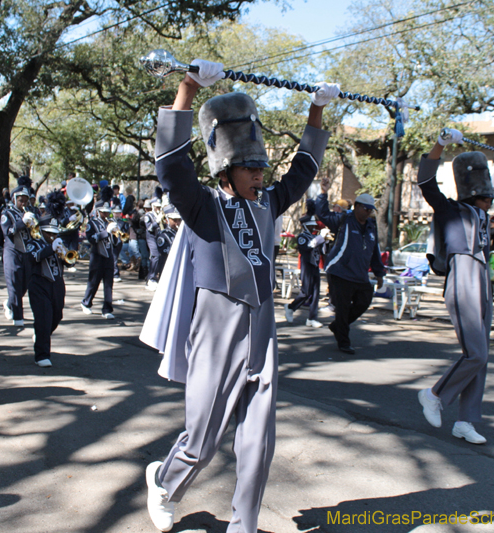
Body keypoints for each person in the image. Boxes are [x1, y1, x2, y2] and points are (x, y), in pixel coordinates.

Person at [140, 57, 337, 533]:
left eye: (261, 166)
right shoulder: (203, 205)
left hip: (262, 327)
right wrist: (187, 88)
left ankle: (243, 524)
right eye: (249, 167)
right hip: (216, 325)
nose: (259, 175)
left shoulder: (269, 202)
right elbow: (169, 164)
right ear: (226, 171)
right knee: (203, 436)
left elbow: (304, 171)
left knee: (257, 440)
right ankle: (164, 481)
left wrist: (315, 112)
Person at [416, 128, 494, 445]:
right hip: (463, 276)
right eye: (485, 192)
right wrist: (439, 143)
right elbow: (426, 182)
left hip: (482, 277)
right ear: (472, 192)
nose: (490, 196)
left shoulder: (484, 214)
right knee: (476, 355)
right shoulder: (451, 209)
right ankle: (434, 393)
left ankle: (466, 420)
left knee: (482, 357)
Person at [315, 181, 386, 354]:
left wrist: (379, 273)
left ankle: (338, 326)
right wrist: (323, 192)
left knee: (364, 302)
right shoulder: (344, 219)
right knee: (343, 306)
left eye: (371, 209)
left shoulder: (371, 227)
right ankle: (344, 341)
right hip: (340, 271)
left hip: (360, 274)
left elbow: (374, 251)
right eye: (365, 208)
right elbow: (322, 214)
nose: (368, 212)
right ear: (357, 206)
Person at [28, 226, 66, 368]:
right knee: (43, 317)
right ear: (42, 232)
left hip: (57, 284)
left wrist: (65, 254)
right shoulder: (34, 243)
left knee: (57, 316)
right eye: (48, 233)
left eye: (54, 234)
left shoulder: (59, 244)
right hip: (39, 283)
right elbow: (33, 257)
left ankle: (41, 336)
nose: (52, 236)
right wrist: (51, 248)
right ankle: (42, 355)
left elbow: (70, 261)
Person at [0, 180, 34, 326]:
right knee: (14, 283)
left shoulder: (30, 213)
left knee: (25, 283)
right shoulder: (6, 213)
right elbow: (8, 232)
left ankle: (9, 303)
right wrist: (22, 222)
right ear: (14, 199)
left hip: (26, 252)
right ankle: (18, 316)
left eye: (26, 201)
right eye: (21, 201)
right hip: (12, 251)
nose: (24, 203)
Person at [285, 217, 325, 328]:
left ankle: (312, 318)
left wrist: (325, 240)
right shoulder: (302, 237)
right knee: (306, 292)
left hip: (315, 266)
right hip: (307, 266)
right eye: (311, 225)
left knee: (316, 294)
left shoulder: (315, 236)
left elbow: (322, 251)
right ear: (305, 226)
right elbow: (308, 247)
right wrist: (321, 238)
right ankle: (290, 307)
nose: (313, 227)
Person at [81, 202, 117, 319]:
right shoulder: (92, 223)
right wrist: (106, 232)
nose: (106, 214)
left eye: (107, 211)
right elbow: (91, 239)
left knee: (108, 284)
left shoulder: (110, 223)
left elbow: (116, 243)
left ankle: (107, 309)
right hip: (97, 256)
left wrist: (115, 234)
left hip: (109, 256)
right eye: (103, 211)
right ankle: (86, 302)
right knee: (93, 282)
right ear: (98, 211)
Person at [155, 204, 181, 280]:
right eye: (174, 220)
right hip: (167, 265)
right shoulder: (163, 235)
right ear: (167, 220)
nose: (177, 223)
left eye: (179, 220)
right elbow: (164, 250)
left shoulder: (181, 233)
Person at [143, 198, 162, 290]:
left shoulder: (161, 215)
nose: (158, 209)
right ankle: (151, 278)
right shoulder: (148, 215)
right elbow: (149, 228)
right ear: (153, 207)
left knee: (160, 257)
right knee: (155, 256)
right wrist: (157, 222)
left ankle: (153, 277)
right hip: (151, 238)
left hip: (159, 238)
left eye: (159, 207)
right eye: (157, 207)